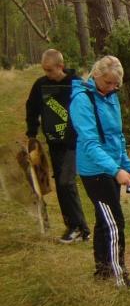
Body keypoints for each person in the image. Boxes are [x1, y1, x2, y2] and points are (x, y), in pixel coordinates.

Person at [69, 56, 130, 289]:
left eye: (116, 84)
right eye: (108, 82)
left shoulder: (111, 97)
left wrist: (126, 165)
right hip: (95, 171)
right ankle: (119, 278)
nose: (112, 87)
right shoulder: (82, 100)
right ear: (96, 75)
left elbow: (117, 135)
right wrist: (114, 169)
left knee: (103, 221)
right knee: (114, 223)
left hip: (112, 167)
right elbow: (90, 143)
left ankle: (102, 273)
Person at [25, 49, 90, 243]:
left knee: (66, 182)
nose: (47, 74)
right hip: (54, 143)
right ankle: (74, 227)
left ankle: (80, 229)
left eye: (50, 70)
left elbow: (87, 109)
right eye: (44, 70)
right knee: (62, 186)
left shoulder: (75, 83)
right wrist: (31, 133)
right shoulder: (41, 85)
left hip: (73, 142)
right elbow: (32, 108)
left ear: (60, 66)